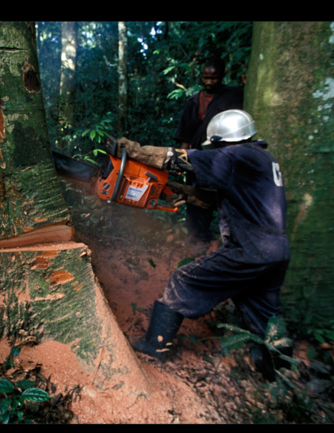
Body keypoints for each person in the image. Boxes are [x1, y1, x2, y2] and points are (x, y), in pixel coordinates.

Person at [117, 109, 292, 381]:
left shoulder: (236, 156)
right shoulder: (262, 159)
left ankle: (154, 346)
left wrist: (134, 150)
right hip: (277, 253)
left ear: (224, 142)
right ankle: (278, 376)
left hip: (250, 250)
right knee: (265, 316)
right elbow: (220, 199)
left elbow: (177, 159)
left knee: (183, 279)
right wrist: (184, 193)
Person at [173, 56, 244, 248]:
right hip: (198, 159)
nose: (209, 82)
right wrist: (181, 161)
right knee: (195, 198)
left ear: (222, 76)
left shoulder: (233, 96)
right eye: (205, 77)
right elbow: (185, 136)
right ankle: (198, 238)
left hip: (223, 159)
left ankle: (226, 241)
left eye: (214, 77)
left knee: (225, 200)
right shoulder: (194, 101)